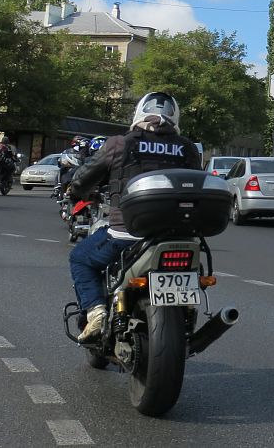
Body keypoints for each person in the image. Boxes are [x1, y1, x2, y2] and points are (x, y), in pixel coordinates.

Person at [68, 92, 202, 342]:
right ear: (175, 117)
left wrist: (74, 190)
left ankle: (96, 311)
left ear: (139, 112)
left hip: (127, 234)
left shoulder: (120, 143)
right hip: (178, 234)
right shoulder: (187, 148)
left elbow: (83, 178)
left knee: (80, 259)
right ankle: (188, 308)